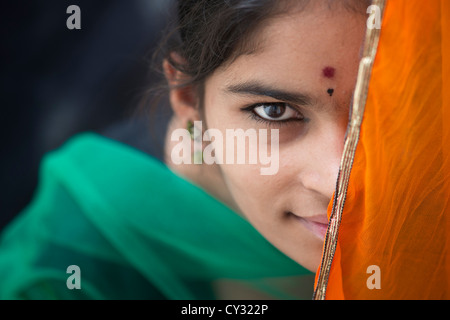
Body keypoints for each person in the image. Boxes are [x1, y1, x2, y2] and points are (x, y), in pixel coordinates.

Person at [0, 0, 371, 299]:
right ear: (189, 99)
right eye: (274, 111)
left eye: (381, 113)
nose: (339, 184)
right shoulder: (74, 261)